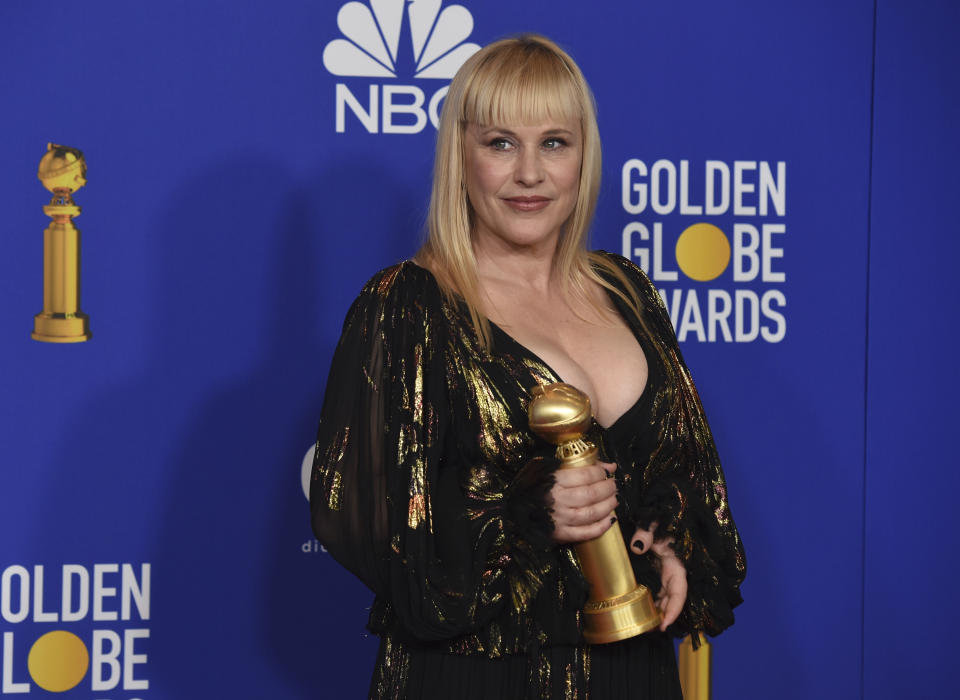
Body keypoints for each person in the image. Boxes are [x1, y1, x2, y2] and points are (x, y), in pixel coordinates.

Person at [310, 34, 745, 699]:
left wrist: (662, 539)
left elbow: (688, 468)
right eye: (500, 143)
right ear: (461, 156)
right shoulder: (406, 307)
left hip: (632, 670)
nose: (530, 175)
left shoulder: (627, 290)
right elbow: (363, 522)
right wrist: (529, 516)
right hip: (473, 675)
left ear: (583, 156)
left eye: (553, 143)